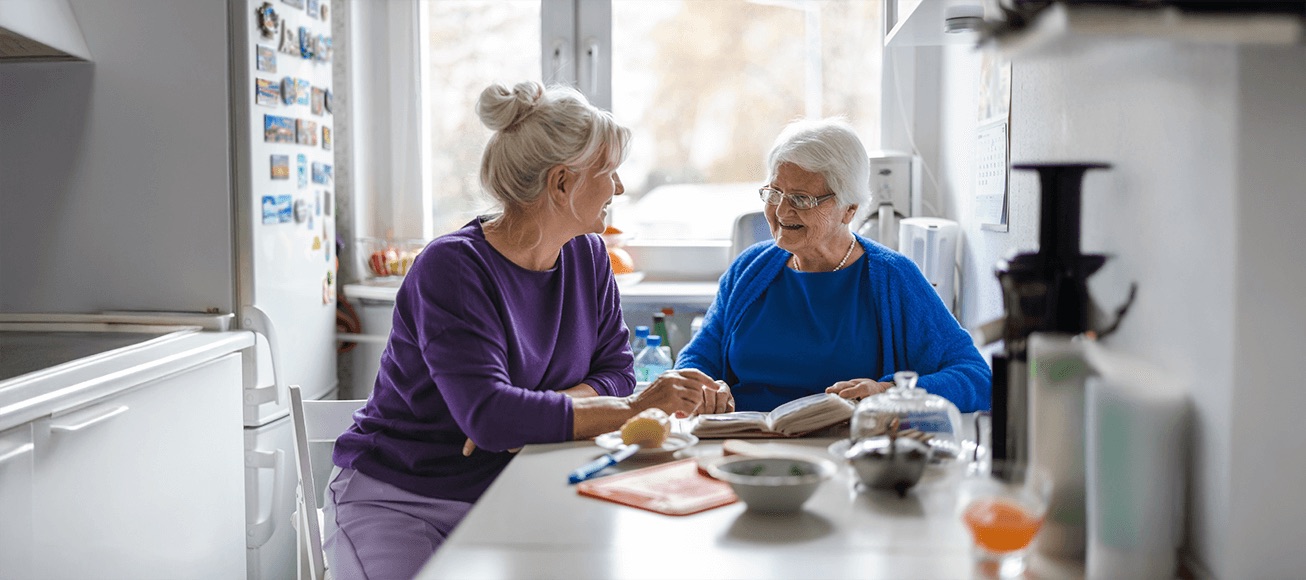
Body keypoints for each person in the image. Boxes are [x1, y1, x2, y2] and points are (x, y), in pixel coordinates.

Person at [323, 81, 727, 579]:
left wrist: (531, 413)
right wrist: (631, 410)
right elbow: (492, 419)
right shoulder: (451, 267)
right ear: (562, 183)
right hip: (402, 497)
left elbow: (616, 370)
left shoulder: (588, 255)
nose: (619, 189)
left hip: (511, 488)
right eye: (609, 172)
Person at [675, 118, 991, 414]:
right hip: (743, 448)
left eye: (801, 199)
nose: (781, 211)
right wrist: (704, 388)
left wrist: (887, 393)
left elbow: (977, 378)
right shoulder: (749, 269)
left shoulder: (893, 277)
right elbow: (697, 359)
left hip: (844, 455)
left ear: (848, 209)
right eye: (775, 193)